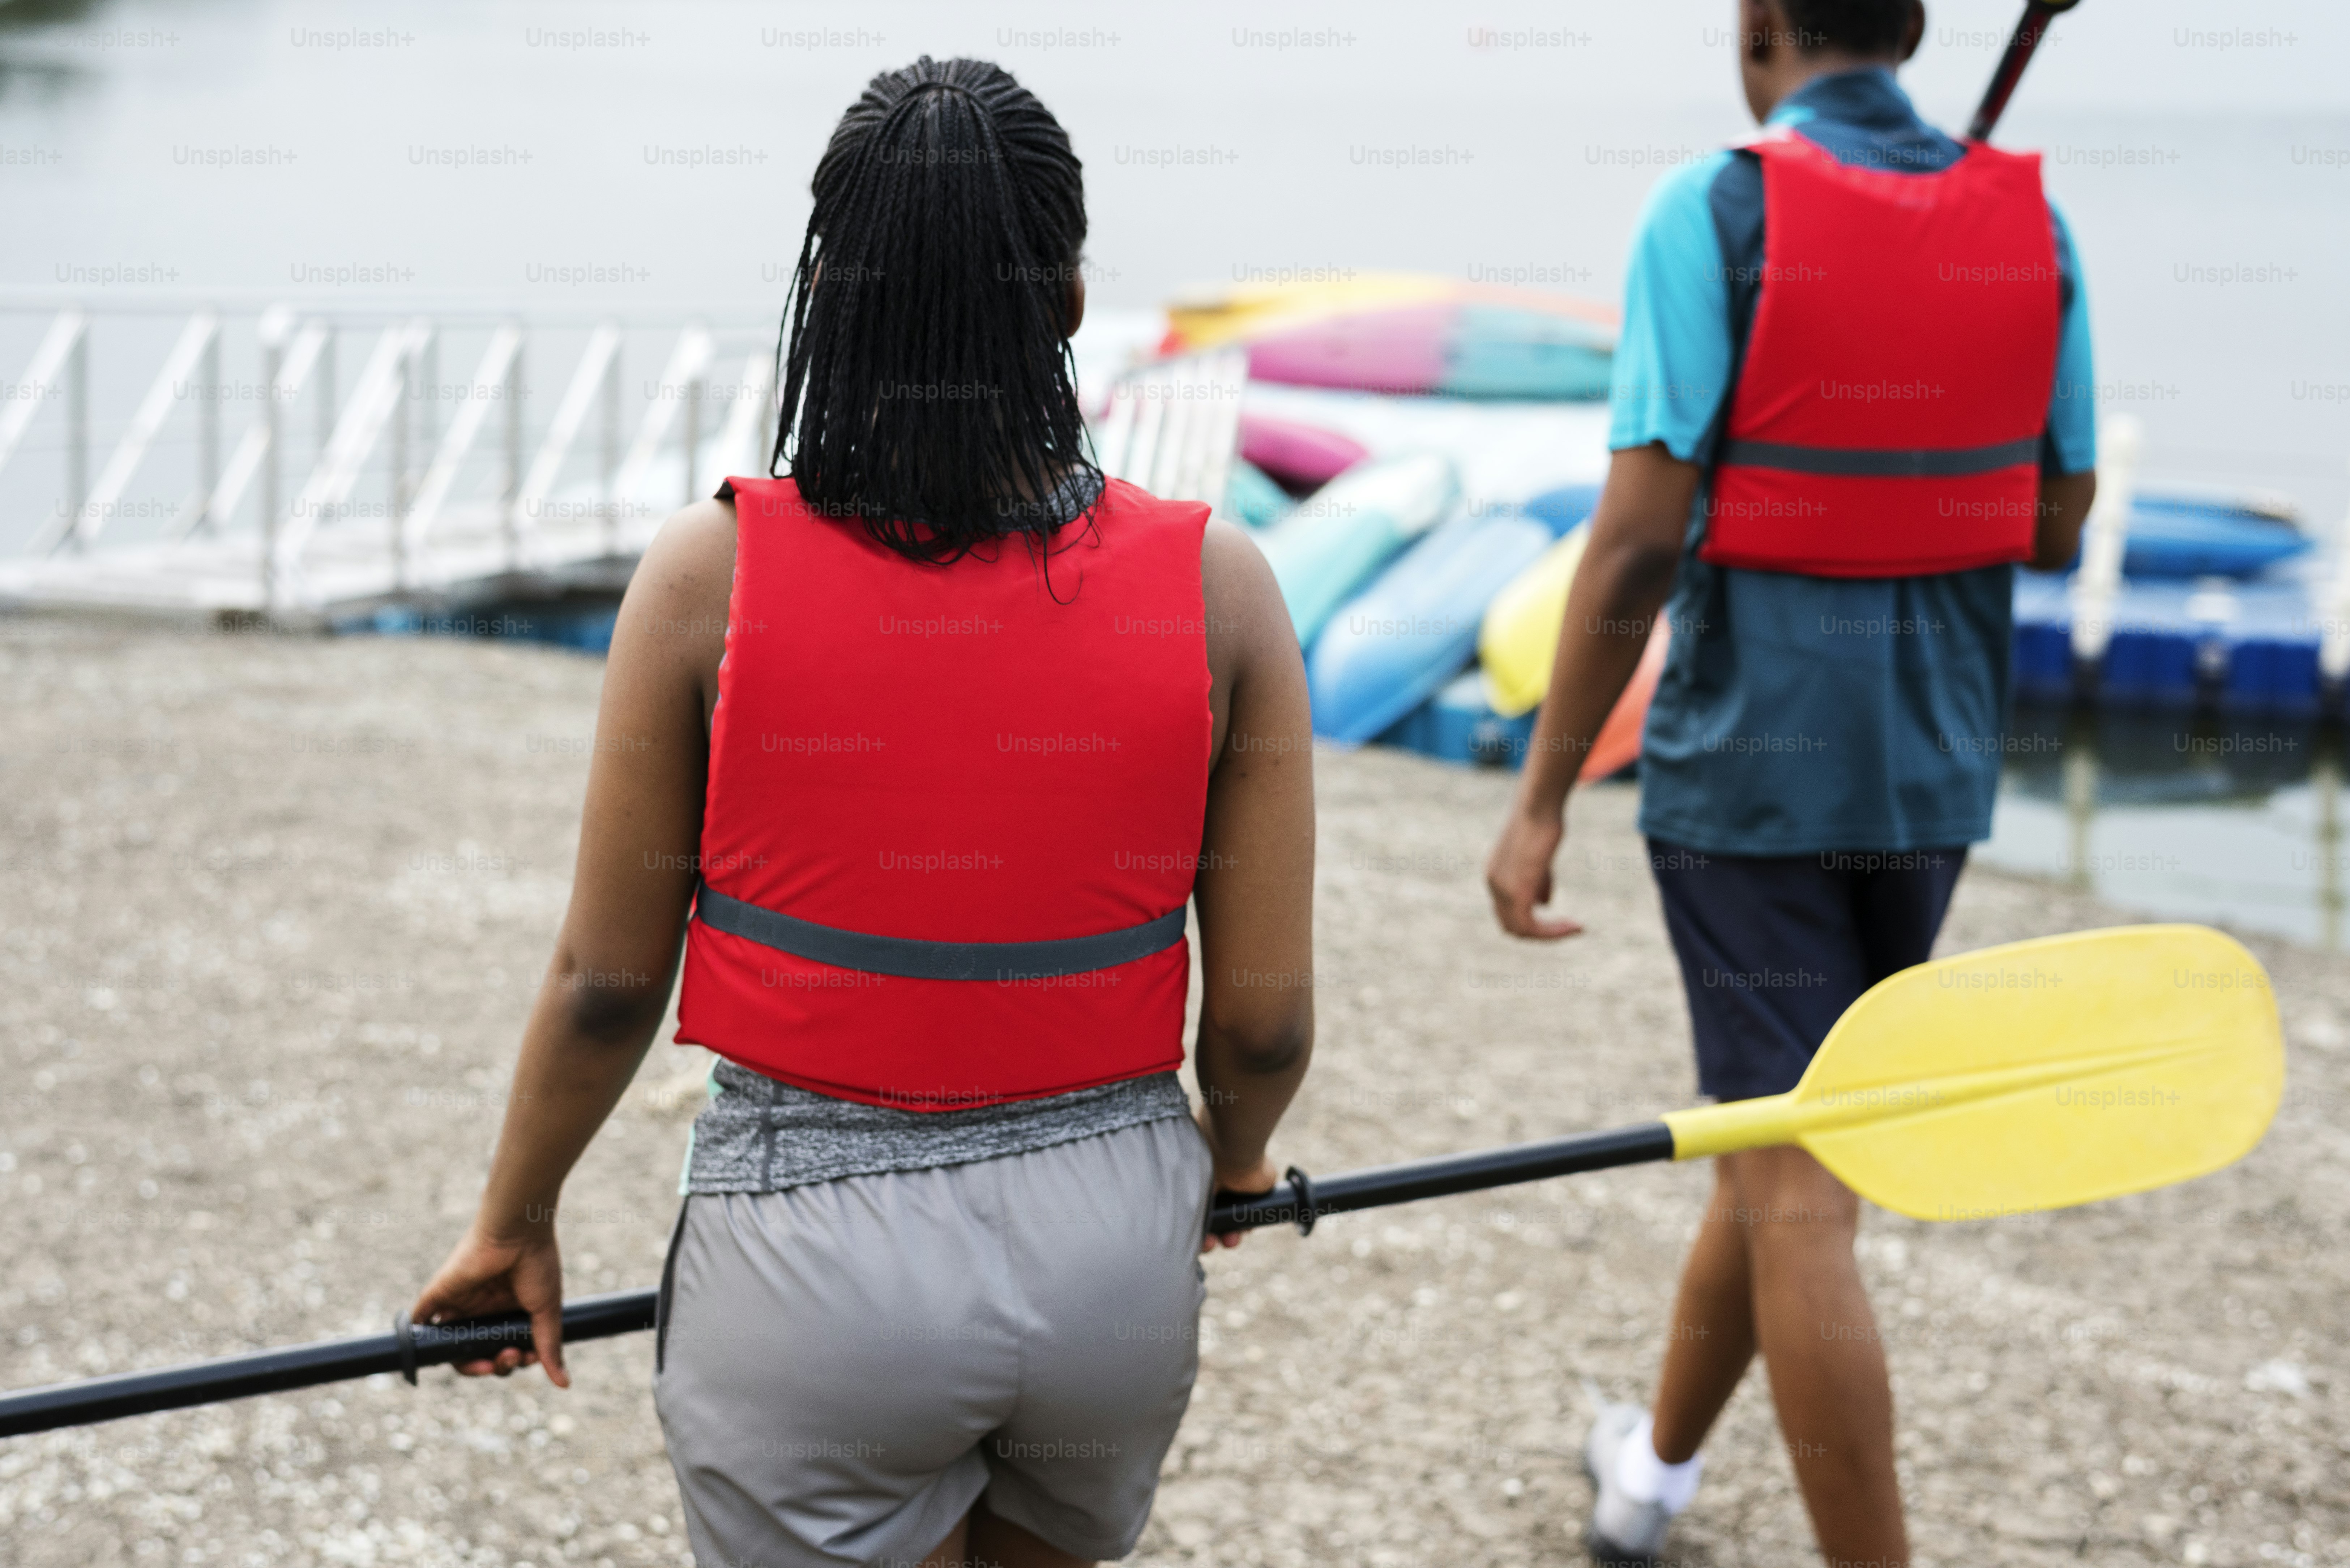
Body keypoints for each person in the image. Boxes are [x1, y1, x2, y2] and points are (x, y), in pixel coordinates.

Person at [411, 57, 1316, 1568]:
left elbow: (607, 980)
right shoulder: (1222, 589)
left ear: (829, 294)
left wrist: (513, 1219)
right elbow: (1264, 1025)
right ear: (1072, 299)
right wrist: (1232, 1163)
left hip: (810, 1265)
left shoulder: (703, 582)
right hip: (1109, 1252)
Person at [1485, 2, 2096, 1563]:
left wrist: (1541, 795)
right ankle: (1652, 1477)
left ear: (1757, 23)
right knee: (1778, 1142)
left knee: (1795, 1180)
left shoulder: (1714, 207)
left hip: (1752, 785)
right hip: (1929, 776)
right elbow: (2053, 523)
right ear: (1905, 24)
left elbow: (1629, 542)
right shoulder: (2032, 228)